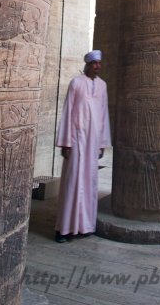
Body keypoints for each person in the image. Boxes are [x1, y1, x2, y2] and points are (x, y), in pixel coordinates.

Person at [54, 49, 111, 243]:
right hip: (77, 140)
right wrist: (66, 142)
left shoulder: (102, 86)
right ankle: (64, 229)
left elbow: (103, 115)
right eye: (94, 63)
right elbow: (68, 111)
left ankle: (85, 226)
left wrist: (102, 143)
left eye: (99, 64)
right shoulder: (76, 83)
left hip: (93, 142)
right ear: (88, 65)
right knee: (72, 183)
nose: (97, 67)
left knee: (89, 183)